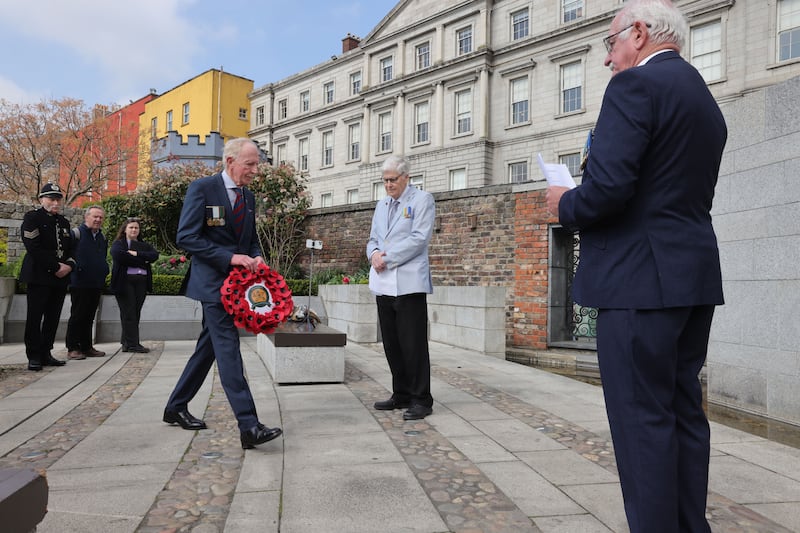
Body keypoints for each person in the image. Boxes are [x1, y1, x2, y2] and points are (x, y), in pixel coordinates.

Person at [546, 1, 727, 531]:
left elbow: (609, 191)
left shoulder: (634, 88)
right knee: (683, 415)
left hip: (637, 284)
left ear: (641, 33)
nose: (608, 59)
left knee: (641, 424)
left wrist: (564, 203)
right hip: (691, 278)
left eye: (611, 43)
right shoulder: (703, 98)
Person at [163, 137, 282, 449]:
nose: (256, 170)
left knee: (209, 347)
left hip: (239, 287)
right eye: (250, 164)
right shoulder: (202, 189)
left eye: (257, 164)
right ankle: (249, 425)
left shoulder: (248, 197)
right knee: (228, 350)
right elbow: (187, 237)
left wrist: (256, 257)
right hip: (213, 286)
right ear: (230, 162)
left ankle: (175, 407)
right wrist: (230, 258)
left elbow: (249, 240)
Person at [367, 155, 436, 421]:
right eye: (385, 180)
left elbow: (419, 238)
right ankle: (401, 392)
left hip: (408, 282)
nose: (388, 185)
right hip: (383, 282)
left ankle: (421, 399)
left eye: (392, 180)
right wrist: (373, 253)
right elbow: (373, 237)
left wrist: (387, 258)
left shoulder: (422, 200)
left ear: (406, 177)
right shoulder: (382, 204)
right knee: (392, 342)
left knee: (413, 343)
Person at [19, 183, 76, 371]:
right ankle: (34, 355)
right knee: (35, 317)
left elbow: (71, 249)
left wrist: (69, 265)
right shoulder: (32, 218)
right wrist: (55, 266)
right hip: (39, 276)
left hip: (59, 278)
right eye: (51, 198)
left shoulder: (64, 223)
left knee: (52, 318)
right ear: (41, 199)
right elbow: (33, 247)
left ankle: (46, 352)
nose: (55, 202)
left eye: (58, 198)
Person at [65, 205, 109, 360]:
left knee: (90, 316)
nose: (98, 220)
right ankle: (73, 347)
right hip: (79, 282)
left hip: (96, 282)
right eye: (95, 216)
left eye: (100, 217)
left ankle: (86, 346)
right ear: (86, 217)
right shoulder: (76, 234)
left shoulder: (102, 238)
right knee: (78, 315)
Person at [110, 218, 158, 353]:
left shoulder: (143, 245)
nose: (134, 230)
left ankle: (126, 342)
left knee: (135, 312)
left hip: (141, 282)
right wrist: (144, 261)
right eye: (131, 227)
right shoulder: (119, 244)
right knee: (128, 312)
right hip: (125, 282)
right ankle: (132, 344)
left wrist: (137, 254)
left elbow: (154, 255)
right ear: (125, 229)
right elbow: (120, 256)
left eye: (136, 228)